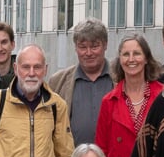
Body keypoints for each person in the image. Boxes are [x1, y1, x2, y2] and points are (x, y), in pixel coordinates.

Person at [93, 34, 161, 157]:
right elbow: (100, 149)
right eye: (126, 54)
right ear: (120, 60)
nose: (131, 59)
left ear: (146, 58)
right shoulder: (109, 101)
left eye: (137, 53)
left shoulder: (163, 96)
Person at [46, 19, 115, 147]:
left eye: (94, 46)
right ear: (75, 47)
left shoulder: (121, 79)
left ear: (105, 45)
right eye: (83, 47)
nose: (88, 53)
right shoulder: (57, 82)